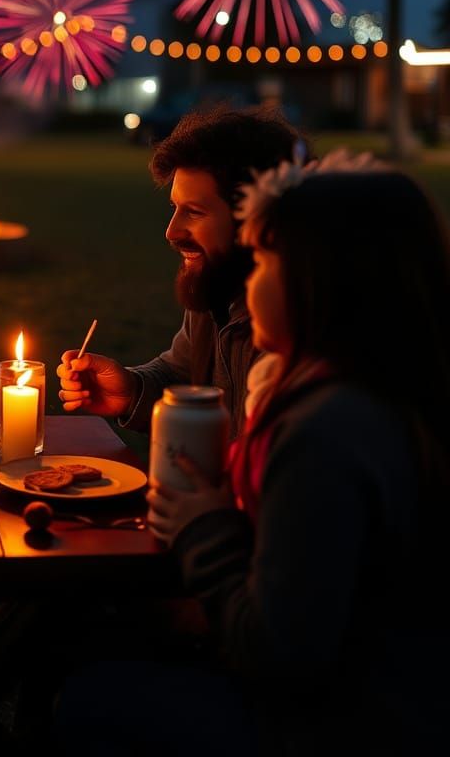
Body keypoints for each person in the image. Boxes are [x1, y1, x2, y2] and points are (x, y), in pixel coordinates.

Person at [55, 155, 450, 754]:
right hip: (385, 700)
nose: (249, 274)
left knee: (86, 694)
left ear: (319, 281)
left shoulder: (325, 431)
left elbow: (281, 651)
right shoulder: (377, 389)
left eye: (262, 259)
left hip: (346, 725)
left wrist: (209, 525)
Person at [58, 106, 302, 439]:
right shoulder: (217, 283)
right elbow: (184, 373)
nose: (171, 232)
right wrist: (131, 390)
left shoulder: (304, 329)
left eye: (195, 212)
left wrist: (220, 492)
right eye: (175, 208)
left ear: (257, 220)